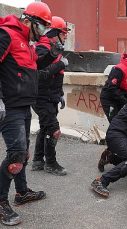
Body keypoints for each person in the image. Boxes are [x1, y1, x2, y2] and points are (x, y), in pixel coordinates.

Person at [0, 2, 52, 226]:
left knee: (24, 155)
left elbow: (29, 73)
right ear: (28, 20)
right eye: (41, 26)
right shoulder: (7, 35)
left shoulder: (28, 44)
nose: (42, 32)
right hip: (10, 106)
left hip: (24, 106)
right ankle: (1, 202)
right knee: (16, 156)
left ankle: (21, 192)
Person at [31, 16, 70, 176]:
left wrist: (60, 94)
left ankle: (38, 161)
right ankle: (51, 164)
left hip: (50, 96)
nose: (66, 36)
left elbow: (56, 78)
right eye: (63, 33)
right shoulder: (42, 49)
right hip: (41, 97)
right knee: (54, 130)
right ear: (54, 33)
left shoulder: (55, 48)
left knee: (45, 127)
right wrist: (61, 64)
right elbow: (41, 75)